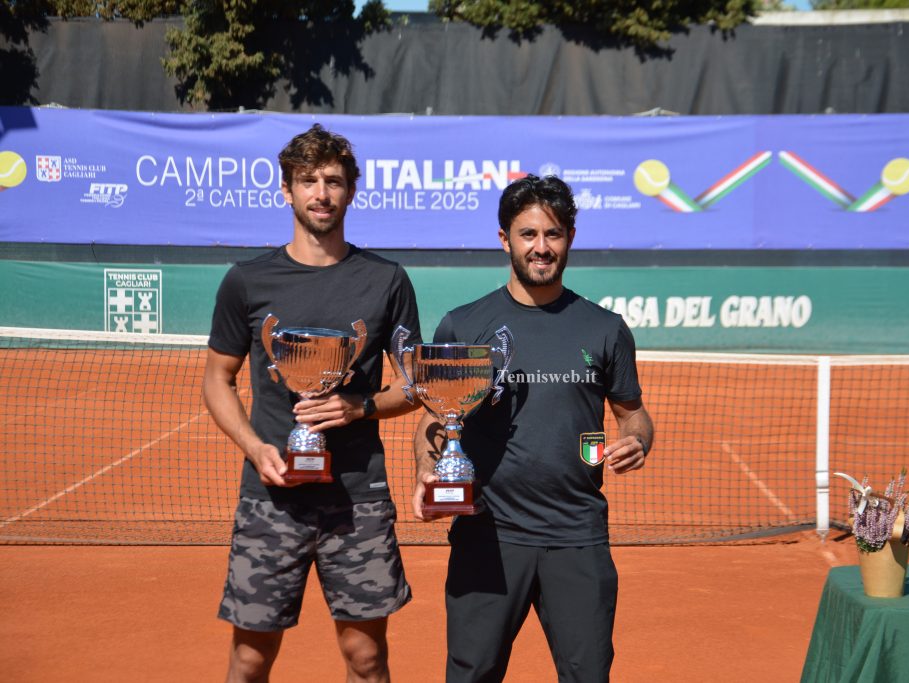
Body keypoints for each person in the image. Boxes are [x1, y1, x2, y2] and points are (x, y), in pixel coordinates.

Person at [412, 174, 655, 682]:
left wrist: (637, 438)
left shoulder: (605, 328)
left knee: (588, 675)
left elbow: (632, 412)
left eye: (553, 234)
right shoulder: (463, 325)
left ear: (569, 237)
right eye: (528, 234)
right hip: (487, 534)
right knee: (471, 674)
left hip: (577, 537)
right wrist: (429, 473)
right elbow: (437, 419)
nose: (541, 248)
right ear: (505, 240)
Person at [203, 123, 422, 683]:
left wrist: (360, 408)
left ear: (351, 191)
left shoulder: (387, 280)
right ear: (287, 190)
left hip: (358, 497)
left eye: (333, 180)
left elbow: (414, 384)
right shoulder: (247, 281)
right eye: (308, 180)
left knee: (366, 658)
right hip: (272, 498)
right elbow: (216, 380)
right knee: (250, 660)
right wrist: (255, 448)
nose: (321, 193)